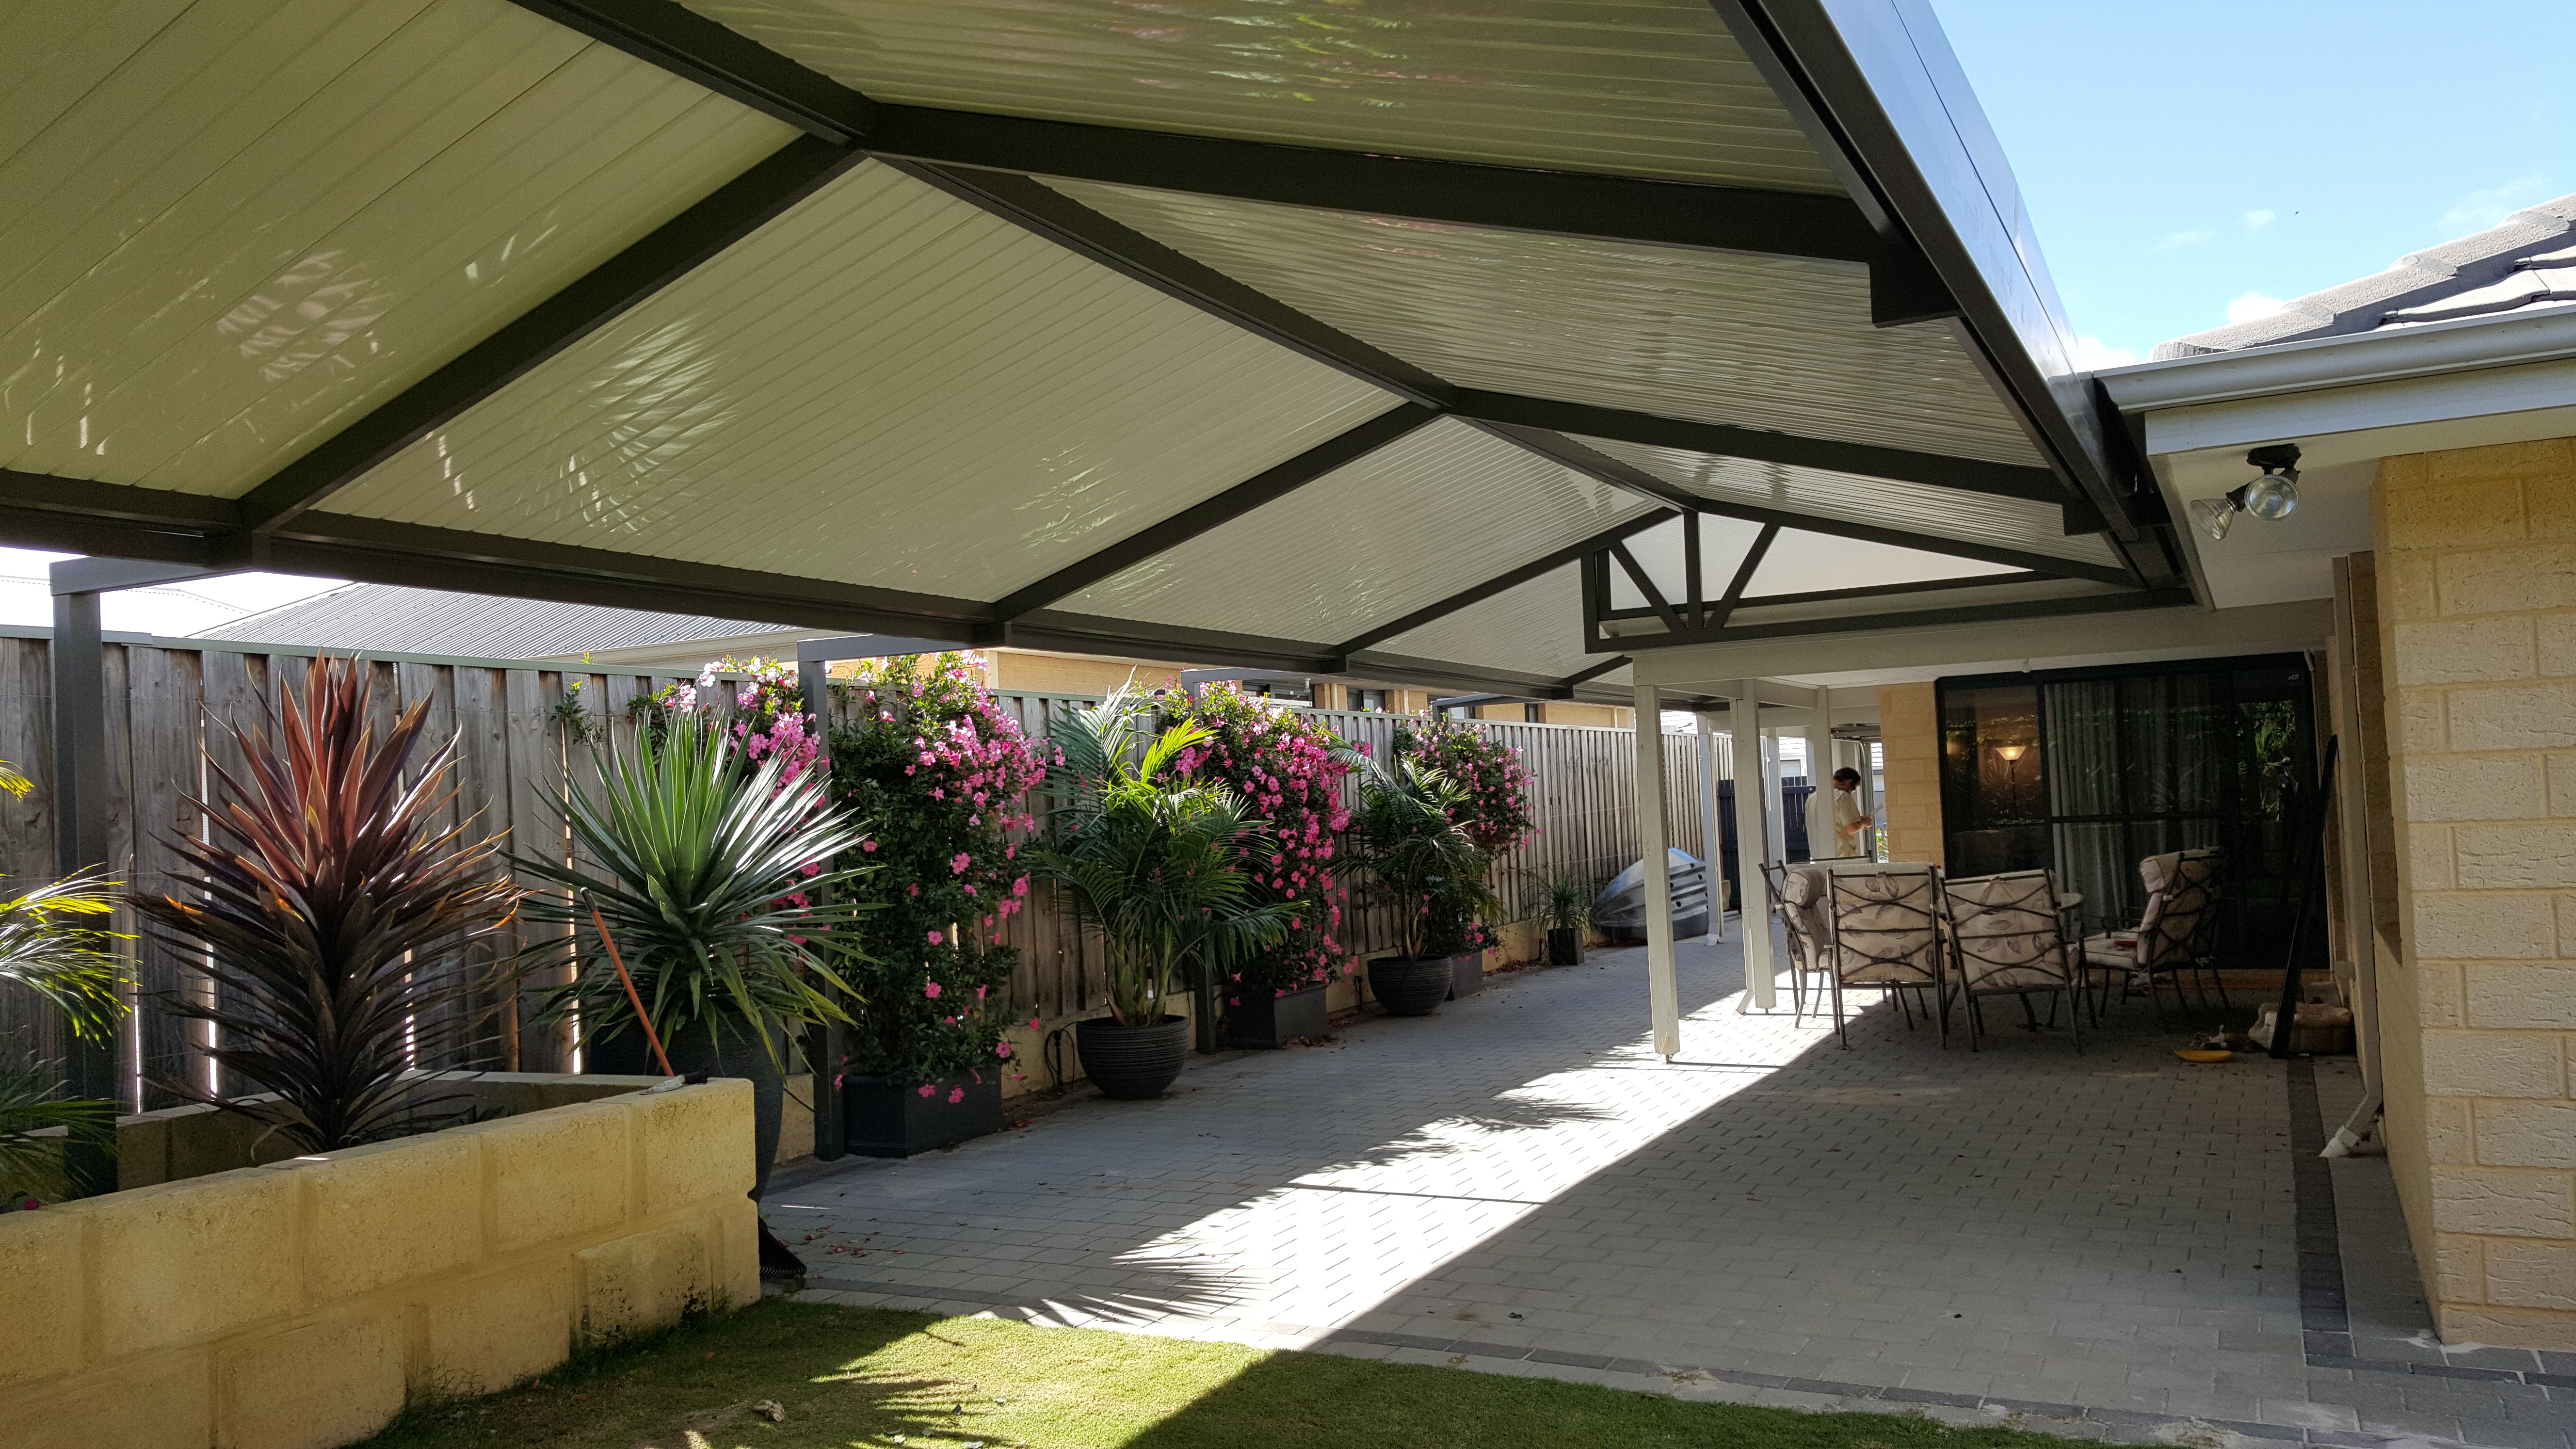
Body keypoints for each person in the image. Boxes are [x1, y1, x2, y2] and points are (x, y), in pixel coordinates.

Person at [1829, 766, 1870, 859]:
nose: (1851, 791)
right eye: (1853, 788)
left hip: (1820, 855)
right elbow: (1851, 828)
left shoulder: (1814, 798)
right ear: (1849, 782)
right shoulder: (1843, 796)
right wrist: (1863, 823)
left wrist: (1859, 819)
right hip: (1842, 855)